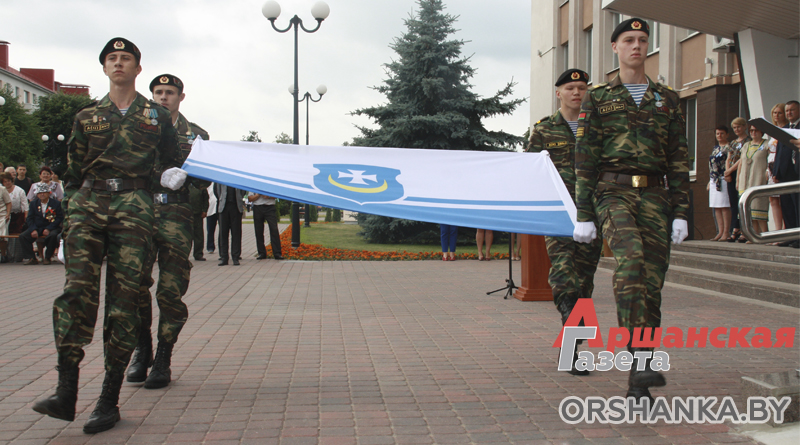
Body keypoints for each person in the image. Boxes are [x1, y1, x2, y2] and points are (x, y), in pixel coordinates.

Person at [32, 37, 184, 434]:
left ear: (137, 68)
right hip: (89, 203)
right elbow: (74, 171)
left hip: (134, 206)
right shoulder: (86, 115)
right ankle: (65, 390)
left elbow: (169, 161)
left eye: (126, 58)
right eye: (112, 58)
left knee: (124, 300)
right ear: (104, 68)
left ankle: (108, 399)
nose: (118, 63)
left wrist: (168, 178)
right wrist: (69, 222)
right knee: (75, 293)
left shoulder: (156, 116)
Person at [573, 18, 690, 401]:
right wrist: (584, 214)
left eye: (642, 39)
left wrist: (681, 212)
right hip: (613, 192)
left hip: (655, 196)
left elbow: (678, 159)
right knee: (632, 262)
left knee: (651, 283)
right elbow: (585, 158)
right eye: (628, 40)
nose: (636, 45)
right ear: (615, 47)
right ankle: (639, 359)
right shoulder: (598, 98)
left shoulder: (667, 99)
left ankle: (641, 373)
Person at [126, 74, 211, 389]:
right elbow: (124, 166)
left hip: (177, 214)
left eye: (170, 92)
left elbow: (205, 179)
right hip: (142, 211)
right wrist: (156, 175)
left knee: (170, 290)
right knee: (135, 284)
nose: (164, 97)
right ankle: (142, 348)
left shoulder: (197, 135)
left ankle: (163, 358)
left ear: (181, 97)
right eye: (158, 92)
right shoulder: (138, 130)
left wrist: (190, 176)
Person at [529, 68, 603, 375]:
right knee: (563, 276)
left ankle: (572, 349)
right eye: (571, 88)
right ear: (558, 93)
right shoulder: (544, 130)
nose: (577, 92)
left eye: (582, 88)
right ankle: (573, 335)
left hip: (592, 213)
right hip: (558, 214)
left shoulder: (599, 128)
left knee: (584, 282)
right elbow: (532, 172)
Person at [735, 126, 770, 241]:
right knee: (749, 212)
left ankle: (766, 235)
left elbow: (770, 160)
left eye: (756, 130)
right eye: (751, 131)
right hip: (745, 180)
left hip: (758, 180)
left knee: (759, 208)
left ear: (761, 131)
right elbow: (741, 163)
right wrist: (738, 179)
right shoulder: (746, 145)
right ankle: (755, 236)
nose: (753, 132)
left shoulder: (766, 144)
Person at [772, 100, 799, 247]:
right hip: (784, 174)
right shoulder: (784, 129)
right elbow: (779, 152)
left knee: (797, 206)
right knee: (786, 206)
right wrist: (776, 172)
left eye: (792, 110)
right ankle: (790, 236)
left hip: (797, 172)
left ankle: (798, 237)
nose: (789, 113)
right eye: (787, 111)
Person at [20, 183, 64, 265]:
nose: (42, 194)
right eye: (40, 193)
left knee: (53, 236)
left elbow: (59, 218)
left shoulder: (56, 203)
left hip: (51, 226)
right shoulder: (33, 204)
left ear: (49, 193)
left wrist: (49, 228)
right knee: (23, 236)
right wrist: (33, 229)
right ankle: (32, 258)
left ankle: (48, 257)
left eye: (44, 192)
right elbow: (30, 218)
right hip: (37, 226)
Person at [725, 117, 749, 242]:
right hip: (731, 173)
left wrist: (730, 170)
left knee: (741, 201)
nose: (737, 129)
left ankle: (743, 229)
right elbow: (729, 157)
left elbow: (741, 159)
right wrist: (727, 171)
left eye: (739, 126)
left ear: (744, 126)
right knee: (733, 202)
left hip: (741, 171)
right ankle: (735, 227)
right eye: (734, 128)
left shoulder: (748, 141)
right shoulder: (733, 143)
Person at [707, 126, 731, 241]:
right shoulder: (715, 148)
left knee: (724, 206)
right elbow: (711, 165)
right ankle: (720, 231)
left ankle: (726, 232)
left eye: (722, 133)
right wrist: (709, 180)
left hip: (723, 179)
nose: (719, 136)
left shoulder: (729, 147)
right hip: (714, 179)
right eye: (717, 134)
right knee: (716, 206)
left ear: (727, 135)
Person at [767, 104, 787, 233]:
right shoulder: (773, 131)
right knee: (773, 199)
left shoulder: (787, 129)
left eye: (779, 113)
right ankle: (777, 230)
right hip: (771, 166)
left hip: (780, 167)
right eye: (774, 113)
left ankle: (785, 230)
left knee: (783, 199)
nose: (777, 115)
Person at [214, 183, 245, 266]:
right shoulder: (221, 178)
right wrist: (222, 198)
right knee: (223, 233)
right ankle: (224, 257)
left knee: (236, 233)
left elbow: (243, 191)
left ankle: (235, 257)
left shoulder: (238, 178)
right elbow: (217, 191)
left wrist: (239, 198)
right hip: (224, 207)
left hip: (236, 206)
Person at [249, 192, 284, 260]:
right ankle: (261, 253)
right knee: (258, 230)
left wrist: (269, 196)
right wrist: (259, 194)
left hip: (270, 207)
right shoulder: (255, 186)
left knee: (274, 229)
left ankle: (277, 253)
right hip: (258, 207)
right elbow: (250, 198)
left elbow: (277, 195)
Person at [206, 183, 217, 254]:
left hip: (220, 208)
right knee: (210, 230)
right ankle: (210, 247)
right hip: (210, 209)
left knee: (223, 230)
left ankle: (222, 248)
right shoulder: (208, 184)